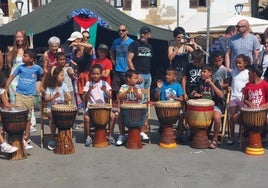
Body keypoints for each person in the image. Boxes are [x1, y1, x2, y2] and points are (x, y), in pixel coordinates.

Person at [5, 49, 43, 150]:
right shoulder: (20, 67)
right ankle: (20, 135)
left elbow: (43, 76)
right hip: (19, 94)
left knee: (28, 117)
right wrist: (6, 88)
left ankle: (27, 136)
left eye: (25, 56)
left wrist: (42, 86)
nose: (23, 58)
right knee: (19, 115)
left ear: (31, 59)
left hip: (30, 96)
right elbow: (12, 77)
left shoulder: (37, 68)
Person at [191, 65, 225, 149]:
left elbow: (221, 95)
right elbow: (192, 92)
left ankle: (215, 138)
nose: (202, 73)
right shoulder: (199, 81)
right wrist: (195, 94)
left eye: (204, 72)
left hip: (215, 105)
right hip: (203, 106)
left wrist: (212, 84)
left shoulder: (215, 81)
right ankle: (197, 134)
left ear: (210, 73)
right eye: (201, 71)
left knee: (217, 118)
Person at [83, 64, 116, 147]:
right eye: (94, 74)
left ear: (101, 74)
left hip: (103, 108)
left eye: (97, 74)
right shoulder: (88, 84)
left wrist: (105, 90)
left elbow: (111, 97)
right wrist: (89, 90)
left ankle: (110, 136)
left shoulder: (105, 83)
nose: (95, 75)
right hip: (91, 108)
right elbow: (85, 98)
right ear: (91, 74)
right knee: (87, 118)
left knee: (112, 116)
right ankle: (88, 137)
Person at [44, 66, 71, 150]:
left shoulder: (64, 85)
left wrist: (68, 98)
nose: (64, 77)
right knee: (54, 118)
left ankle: (62, 137)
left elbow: (69, 95)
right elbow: (46, 99)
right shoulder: (49, 87)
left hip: (61, 108)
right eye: (61, 75)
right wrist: (53, 97)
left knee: (62, 117)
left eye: (63, 75)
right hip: (50, 108)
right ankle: (52, 138)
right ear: (55, 76)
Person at [154, 67, 184, 143]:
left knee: (181, 116)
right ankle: (164, 129)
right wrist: (159, 88)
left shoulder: (178, 86)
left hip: (175, 108)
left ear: (175, 77)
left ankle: (179, 134)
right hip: (165, 109)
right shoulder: (163, 84)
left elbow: (181, 99)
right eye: (166, 74)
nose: (167, 76)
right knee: (163, 116)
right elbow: (156, 96)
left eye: (169, 75)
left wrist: (175, 97)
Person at [116, 69, 145, 146]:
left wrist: (136, 92)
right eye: (134, 78)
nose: (136, 80)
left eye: (136, 78)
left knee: (144, 113)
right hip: (126, 109)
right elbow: (119, 96)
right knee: (119, 116)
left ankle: (141, 131)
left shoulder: (138, 87)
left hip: (136, 109)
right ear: (128, 78)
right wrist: (127, 92)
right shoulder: (123, 87)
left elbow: (140, 98)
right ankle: (122, 134)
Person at [227, 54, 250, 144]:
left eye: (240, 63)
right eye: (236, 63)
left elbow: (249, 84)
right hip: (233, 96)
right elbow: (232, 82)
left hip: (242, 98)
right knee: (231, 117)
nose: (238, 65)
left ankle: (241, 135)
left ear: (245, 63)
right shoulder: (234, 72)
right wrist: (229, 87)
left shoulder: (248, 73)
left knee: (241, 117)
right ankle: (232, 136)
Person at [110, 24, 134, 101]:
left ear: (126, 31)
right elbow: (111, 51)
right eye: (119, 30)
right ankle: (118, 107)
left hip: (126, 70)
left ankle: (126, 106)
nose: (121, 32)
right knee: (117, 90)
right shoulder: (116, 41)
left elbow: (135, 56)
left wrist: (130, 66)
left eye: (123, 30)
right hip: (117, 70)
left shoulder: (131, 42)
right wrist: (113, 61)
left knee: (127, 90)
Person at [68, 31, 93, 100]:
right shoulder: (75, 51)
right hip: (79, 74)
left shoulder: (86, 48)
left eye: (73, 40)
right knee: (81, 94)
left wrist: (78, 43)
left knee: (88, 93)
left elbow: (90, 46)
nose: (72, 42)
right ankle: (85, 109)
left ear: (79, 40)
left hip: (88, 74)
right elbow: (74, 60)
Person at [0, 71, 18, 153]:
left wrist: (18, 107)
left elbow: (7, 104)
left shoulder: (1, 90)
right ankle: (3, 145)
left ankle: (20, 140)